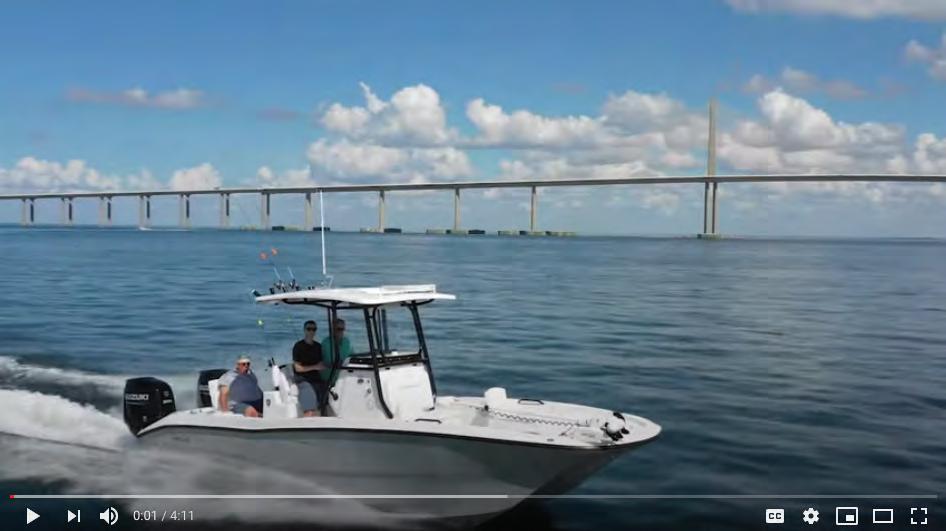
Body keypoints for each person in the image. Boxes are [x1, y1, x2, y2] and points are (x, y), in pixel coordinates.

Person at [292, 320, 325, 417]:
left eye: (314, 329)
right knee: (310, 410)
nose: (311, 331)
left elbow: (321, 364)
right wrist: (315, 367)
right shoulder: (298, 346)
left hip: (317, 380)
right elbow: (298, 368)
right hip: (303, 380)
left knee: (325, 405)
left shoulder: (318, 346)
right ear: (304, 330)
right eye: (309, 329)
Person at [321, 318, 353, 387]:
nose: (341, 332)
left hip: (343, 380)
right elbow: (326, 362)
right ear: (333, 329)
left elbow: (352, 357)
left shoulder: (346, 342)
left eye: (342, 329)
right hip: (328, 381)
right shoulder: (326, 343)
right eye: (338, 329)